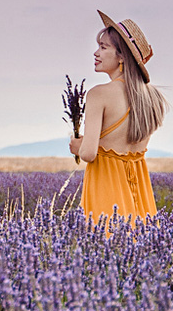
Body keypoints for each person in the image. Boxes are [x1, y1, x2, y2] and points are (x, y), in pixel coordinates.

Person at [68, 11, 166, 224]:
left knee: (104, 250)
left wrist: (77, 146)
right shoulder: (153, 98)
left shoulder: (98, 94)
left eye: (103, 48)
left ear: (122, 56)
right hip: (140, 192)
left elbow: (88, 154)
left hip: (106, 189)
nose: (96, 53)